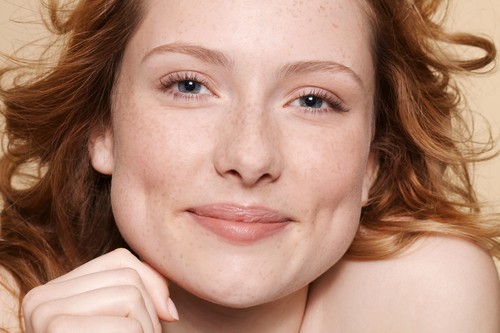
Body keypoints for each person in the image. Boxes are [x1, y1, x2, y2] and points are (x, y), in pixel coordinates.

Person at [0, 0, 499, 332]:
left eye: (313, 100)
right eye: (189, 86)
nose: (250, 157)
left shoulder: (423, 296)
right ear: (102, 129)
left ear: (372, 161)